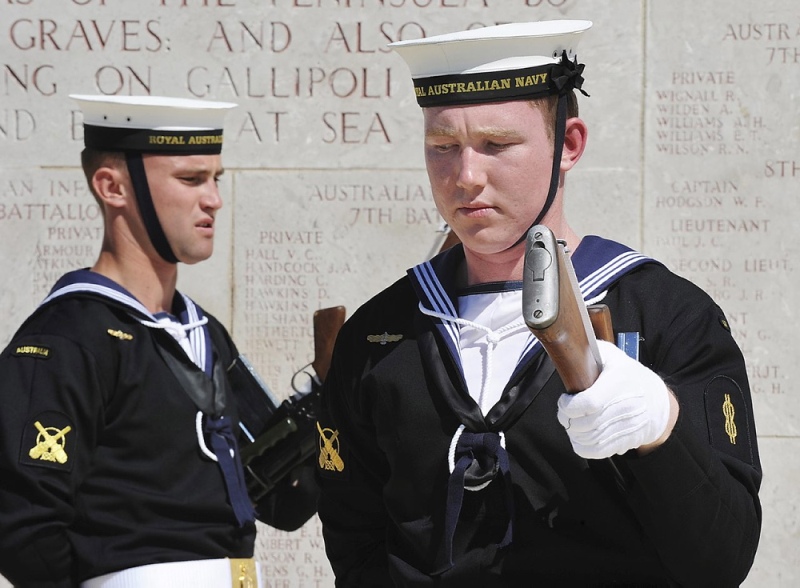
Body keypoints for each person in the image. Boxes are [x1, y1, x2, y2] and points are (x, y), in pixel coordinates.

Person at [315, 20, 762, 587]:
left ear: (568, 145)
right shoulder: (381, 333)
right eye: (442, 148)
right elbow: (354, 540)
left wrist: (659, 428)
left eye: (497, 145)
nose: (466, 177)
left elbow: (722, 558)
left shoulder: (667, 316)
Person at [0, 95, 317, 587]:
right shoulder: (66, 339)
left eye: (216, 179)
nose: (213, 199)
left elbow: (284, 500)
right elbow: (23, 530)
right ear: (112, 187)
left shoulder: (204, 332)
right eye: (191, 180)